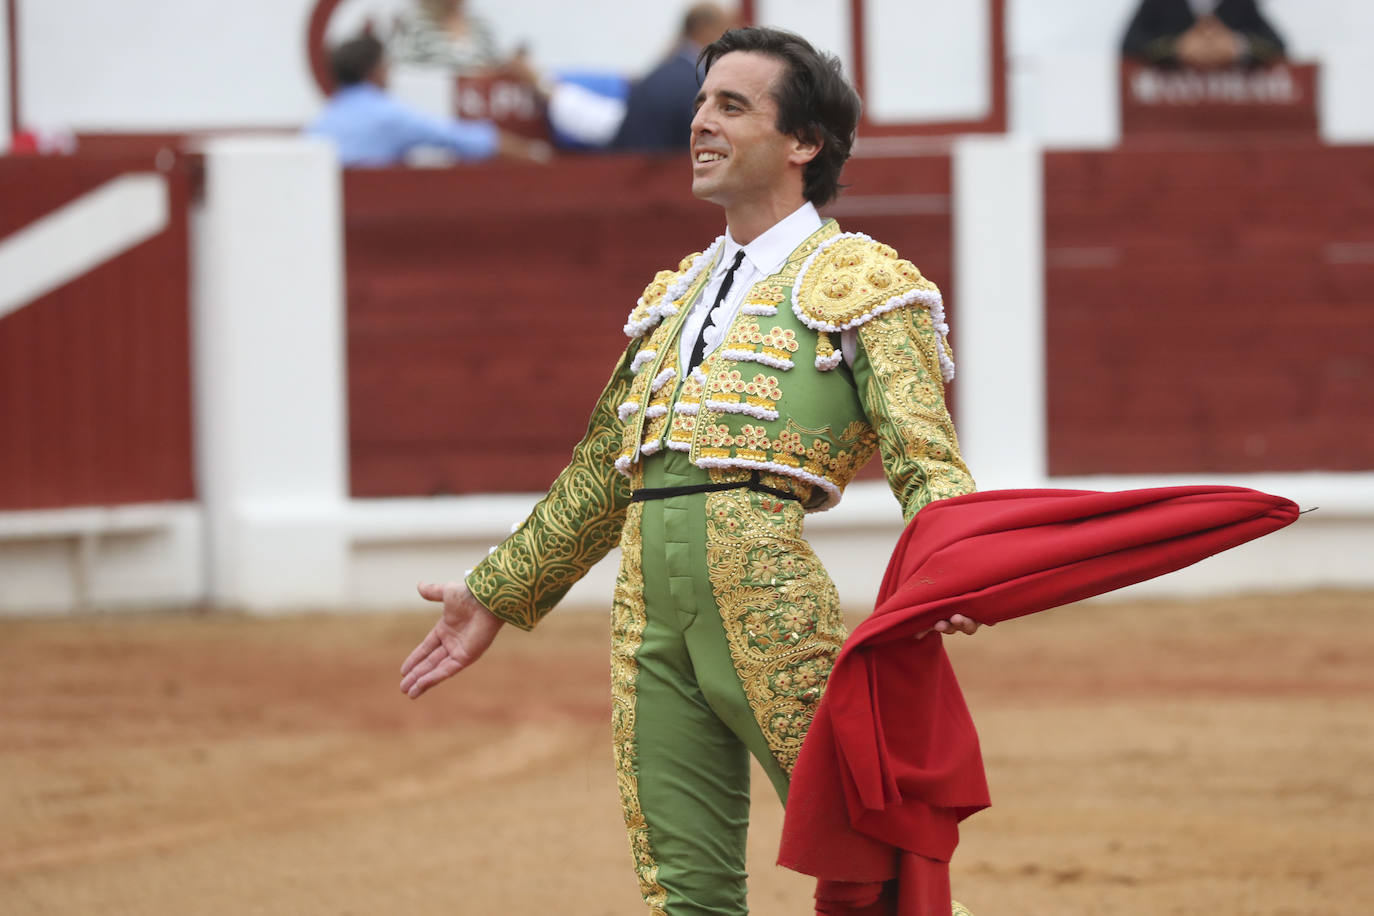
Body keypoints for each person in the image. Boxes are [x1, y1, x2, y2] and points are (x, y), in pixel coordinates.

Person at [399, 26, 980, 916]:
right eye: (704, 103)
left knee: (879, 874)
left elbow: (926, 458)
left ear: (804, 143)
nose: (700, 122)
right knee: (685, 894)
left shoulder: (864, 280)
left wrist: (958, 567)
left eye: (732, 107)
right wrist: (497, 591)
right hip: (647, 617)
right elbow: (605, 472)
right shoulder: (676, 293)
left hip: (768, 599)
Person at [306, 34, 550, 167]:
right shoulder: (387, 115)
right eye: (385, 65)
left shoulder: (321, 123)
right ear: (373, 71)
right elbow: (458, 137)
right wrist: (535, 156)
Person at [1122, 0, 1286, 69]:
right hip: (1169, 118)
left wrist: (1237, 46)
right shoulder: (1160, 3)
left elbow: (1278, 47)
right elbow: (1129, 45)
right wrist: (1176, 48)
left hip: (1232, 116)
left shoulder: (1240, 3)